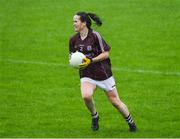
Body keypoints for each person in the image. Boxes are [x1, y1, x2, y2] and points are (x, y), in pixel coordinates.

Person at [69, 12, 137, 132]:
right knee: (86, 96)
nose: (73, 24)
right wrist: (74, 62)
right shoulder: (73, 40)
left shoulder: (95, 36)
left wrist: (91, 60)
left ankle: (130, 122)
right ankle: (95, 116)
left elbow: (106, 53)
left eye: (76, 21)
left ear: (84, 23)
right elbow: (72, 56)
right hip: (87, 74)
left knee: (115, 101)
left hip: (103, 73)